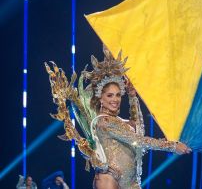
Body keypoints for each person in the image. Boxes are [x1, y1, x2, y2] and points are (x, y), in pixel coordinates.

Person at [45, 46, 191, 189]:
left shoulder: (119, 121)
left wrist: (133, 96)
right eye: (109, 95)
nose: (115, 99)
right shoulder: (104, 122)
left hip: (131, 183)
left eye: (117, 95)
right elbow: (138, 140)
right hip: (109, 180)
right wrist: (172, 146)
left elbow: (139, 129)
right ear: (100, 98)